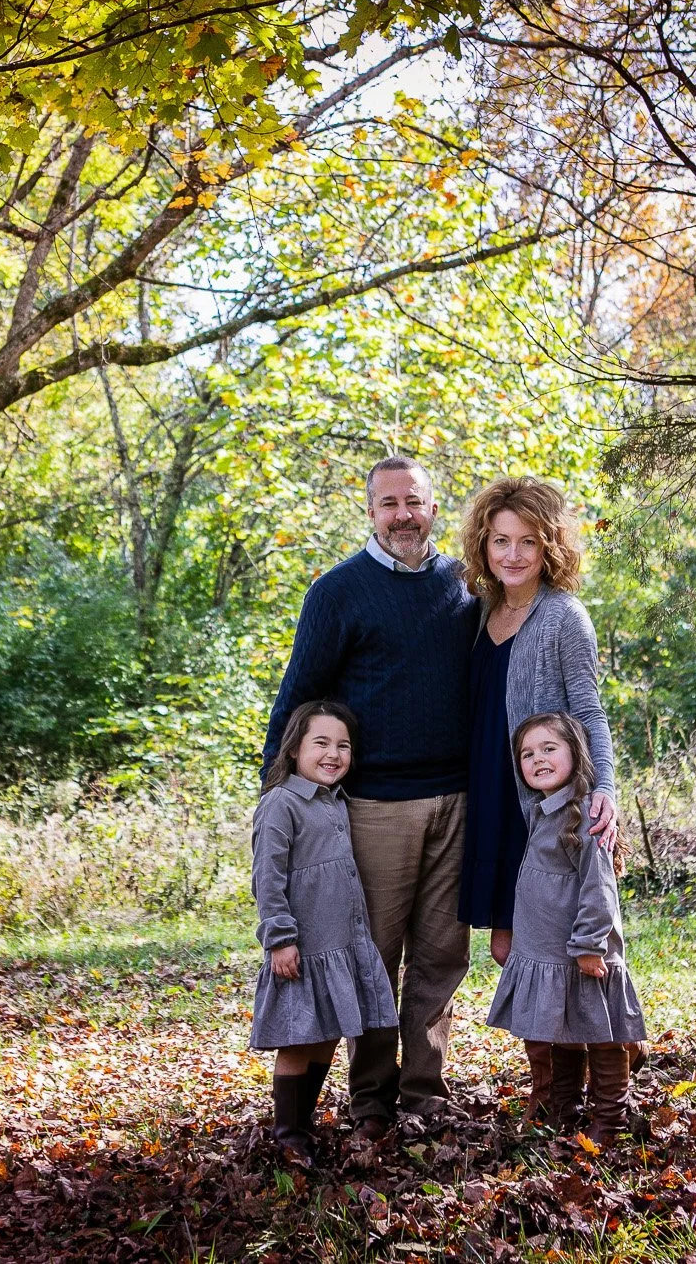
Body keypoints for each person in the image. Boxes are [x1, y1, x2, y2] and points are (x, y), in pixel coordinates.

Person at [263, 458, 482, 1136]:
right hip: (374, 805)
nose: (402, 515)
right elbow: (299, 692)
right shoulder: (337, 591)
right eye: (388, 503)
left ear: (435, 507)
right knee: (372, 957)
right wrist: (279, 792)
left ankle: (424, 1093)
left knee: (442, 956)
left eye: (414, 501)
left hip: (458, 798)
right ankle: (371, 1099)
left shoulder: (465, 585)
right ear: (370, 511)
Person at [455, 475, 620, 1127]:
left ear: (550, 545)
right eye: (501, 540)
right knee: (510, 950)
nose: (514, 553)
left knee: (563, 952)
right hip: (491, 803)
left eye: (528, 540)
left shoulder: (564, 616)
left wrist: (603, 785)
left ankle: (592, 1100)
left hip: (548, 814)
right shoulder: (477, 613)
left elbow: (590, 713)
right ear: (484, 544)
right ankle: (551, 1093)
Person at [483, 712, 646, 1147]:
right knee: (560, 1032)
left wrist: (590, 946)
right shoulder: (541, 812)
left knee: (600, 1034)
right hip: (549, 955)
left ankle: (610, 1119)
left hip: (582, 954)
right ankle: (565, 1109)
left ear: (576, 752)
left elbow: (599, 889)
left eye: (549, 749)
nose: (537, 759)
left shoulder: (585, 816)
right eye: (527, 754)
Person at [250, 700, 399, 1169]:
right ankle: (288, 1134)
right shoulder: (281, 804)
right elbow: (267, 877)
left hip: (341, 944)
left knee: (324, 1036)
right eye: (321, 743)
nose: (333, 753)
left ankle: (304, 1125)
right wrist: (280, 937)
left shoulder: (337, 802)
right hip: (305, 947)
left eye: (343, 746)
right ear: (294, 748)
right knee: (298, 1039)